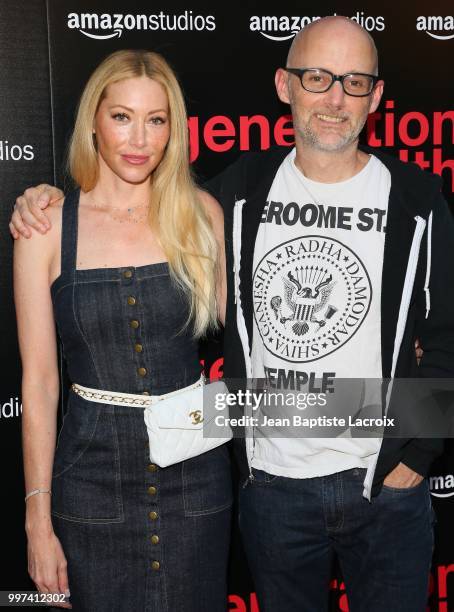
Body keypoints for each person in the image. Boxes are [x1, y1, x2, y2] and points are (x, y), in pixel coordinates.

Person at [9, 17, 453, 612]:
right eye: (316, 77)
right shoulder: (238, 193)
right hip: (270, 488)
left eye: (352, 82)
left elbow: (446, 335)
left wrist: (414, 456)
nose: (333, 98)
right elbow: (133, 216)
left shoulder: (417, 198)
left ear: (375, 96)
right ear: (283, 85)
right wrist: (40, 199)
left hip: (383, 490)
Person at [13, 49, 232, 612]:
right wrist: (37, 518)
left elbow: (252, 339)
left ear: (173, 130)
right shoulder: (44, 228)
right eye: (122, 117)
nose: (139, 138)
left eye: (156, 120)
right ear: (94, 120)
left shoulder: (202, 215)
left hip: (196, 479)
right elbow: (39, 382)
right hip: (89, 483)